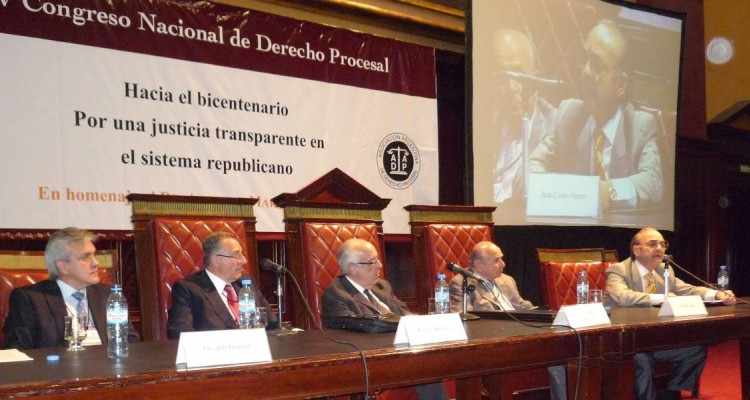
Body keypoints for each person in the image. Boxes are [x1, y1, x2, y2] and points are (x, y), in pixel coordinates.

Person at [528, 19, 663, 211]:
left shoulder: (639, 125)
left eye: (597, 65)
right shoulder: (569, 114)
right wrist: (556, 191)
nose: (585, 72)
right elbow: (535, 163)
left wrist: (607, 192)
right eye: (584, 59)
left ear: (620, 85)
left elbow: (653, 182)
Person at [606, 227, 736, 400]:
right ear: (637, 250)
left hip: (654, 338)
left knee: (695, 350)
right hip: (626, 341)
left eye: (662, 244)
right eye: (653, 244)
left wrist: (716, 294)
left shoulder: (663, 270)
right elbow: (623, 297)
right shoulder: (619, 270)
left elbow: (687, 290)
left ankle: (671, 393)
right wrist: (663, 297)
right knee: (641, 360)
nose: (659, 248)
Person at [321, 238, 449, 400]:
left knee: (442, 357)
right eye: (372, 262)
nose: (380, 265)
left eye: (378, 260)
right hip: (372, 358)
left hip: (402, 349)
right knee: (425, 365)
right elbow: (351, 332)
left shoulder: (382, 286)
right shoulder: (336, 294)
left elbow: (406, 315)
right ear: (353, 268)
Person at [448, 241, 567, 400]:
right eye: (497, 260)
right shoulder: (461, 282)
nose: (503, 264)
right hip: (494, 341)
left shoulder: (506, 280)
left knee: (558, 350)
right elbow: (461, 318)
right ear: (478, 264)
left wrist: (543, 313)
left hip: (522, 333)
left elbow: (522, 305)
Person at [3, 227, 139, 349]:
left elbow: (130, 340)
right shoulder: (30, 299)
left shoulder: (108, 295)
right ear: (63, 266)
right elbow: (17, 351)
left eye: (94, 255)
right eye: (86, 257)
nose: (96, 263)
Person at [167, 231, 279, 339]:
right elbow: (180, 334)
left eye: (242, 254)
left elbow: (272, 324)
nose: (243, 260)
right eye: (236, 255)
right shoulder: (188, 289)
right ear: (216, 260)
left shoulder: (246, 283)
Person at [491, 28, 557, 206]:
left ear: (535, 78)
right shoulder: (486, 129)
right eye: (503, 77)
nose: (512, 88)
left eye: (518, 74)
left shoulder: (557, 128)